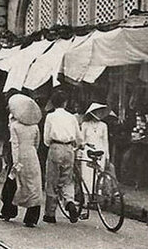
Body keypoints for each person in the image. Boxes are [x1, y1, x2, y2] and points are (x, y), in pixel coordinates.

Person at [0, 94, 43, 227]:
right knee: (33, 186)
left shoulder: (15, 126)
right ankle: (31, 217)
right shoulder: (35, 126)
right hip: (32, 156)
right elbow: (37, 143)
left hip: (19, 156)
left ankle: (8, 211)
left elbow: (15, 145)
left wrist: (15, 162)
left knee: (14, 183)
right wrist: (32, 152)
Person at [42, 91, 82, 224]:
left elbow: (46, 139)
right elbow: (78, 136)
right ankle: (70, 202)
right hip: (69, 149)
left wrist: (50, 144)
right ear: (65, 103)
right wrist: (78, 145)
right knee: (67, 179)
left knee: (52, 181)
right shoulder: (72, 117)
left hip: (56, 147)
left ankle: (50, 214)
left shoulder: (50, 117)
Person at [80, 103, 110, 196]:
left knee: (98, 174)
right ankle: (86, 196)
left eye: (101, 112)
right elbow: (81, 139)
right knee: (87, 175)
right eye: (98, 112)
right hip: (88, 151)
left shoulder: (104, 125)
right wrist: (83, 147)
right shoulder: (85, 125)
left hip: (100, 151)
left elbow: (106, 141)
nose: (100, 114)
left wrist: (107, 156)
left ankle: (97, 196)